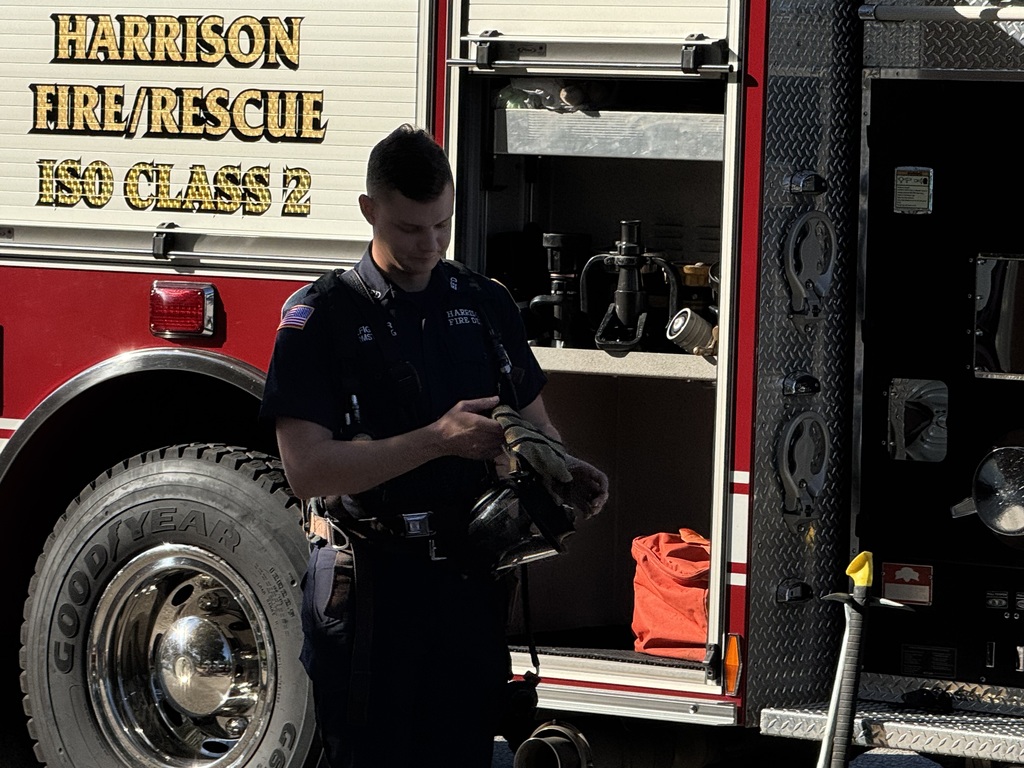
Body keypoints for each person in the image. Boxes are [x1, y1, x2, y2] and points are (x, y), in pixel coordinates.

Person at [260, 123, 609, 768]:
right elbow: (306, 470)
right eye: (410, 228)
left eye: (442, 225)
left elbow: (538, 426)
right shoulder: (322, 317)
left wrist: (564, 470)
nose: (429, 244)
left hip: (468, 585)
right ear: (369, 210)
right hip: (371, 587)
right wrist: (436, 441)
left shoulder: (484, 303)